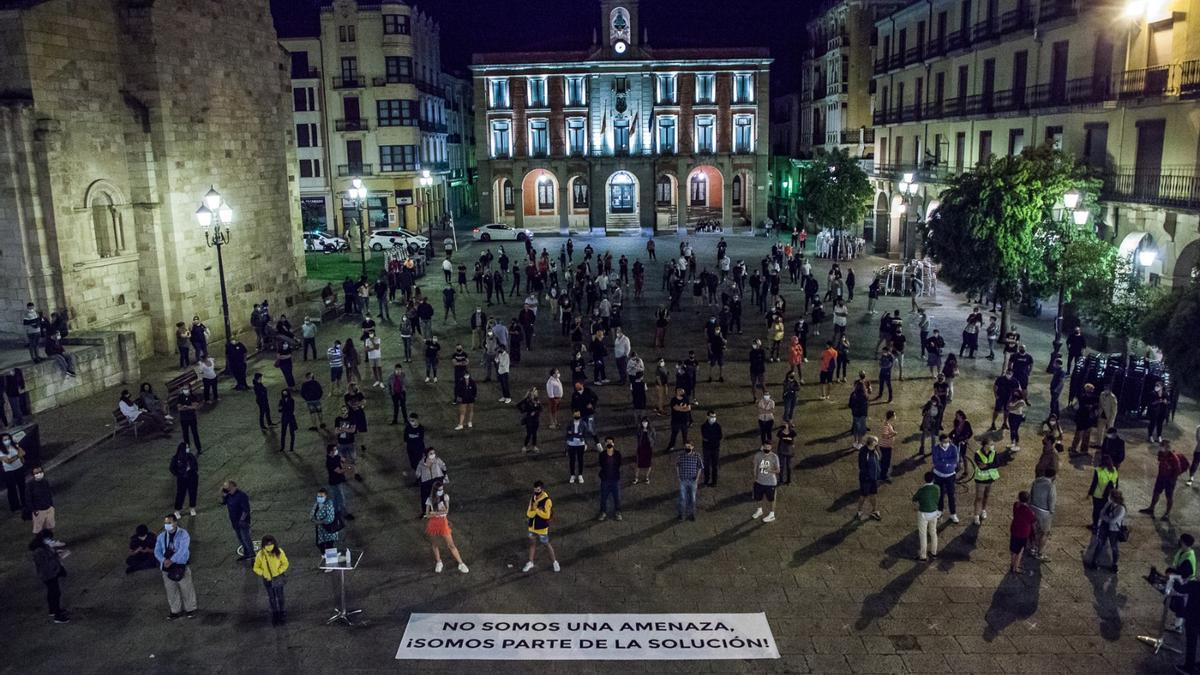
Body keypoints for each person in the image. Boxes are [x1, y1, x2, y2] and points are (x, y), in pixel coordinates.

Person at [155, 513, 197, 620]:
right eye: (165, 523)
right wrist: (164, 560)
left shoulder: (183, 534)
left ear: (175, 522)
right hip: (166, 568)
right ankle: (175, 611)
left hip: (180, 566)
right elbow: (157, 551)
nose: (167, 525)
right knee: (171, 590)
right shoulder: (161, 536)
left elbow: (183, 550)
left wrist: (171, 560)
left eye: (169, 522)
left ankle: (190, 609)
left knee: (186, 588)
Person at [424, 480, 469, 574]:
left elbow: (446, 511)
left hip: (443, 522)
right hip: (433, 523)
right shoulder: (430, 499)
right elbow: (427, 515)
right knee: (435, 544)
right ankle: (439, 562)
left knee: (451, 544)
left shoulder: (445, 497)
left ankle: (461, 563)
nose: (441, 491)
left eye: (442, 489)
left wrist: (436, 513)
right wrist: (436, 513)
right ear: (435, 490)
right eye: (439, 489)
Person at [1140, 441, 1190, 522]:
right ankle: (1151, 508)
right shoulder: (1161, 453)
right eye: (1161, 445)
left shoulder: (1174, 458)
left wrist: (1172, 480)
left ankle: (1167, 514)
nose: (1161, 447)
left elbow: (1178, 470)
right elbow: (1160, 462)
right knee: (1156, 492)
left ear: (1167, 448)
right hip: (1161, 476)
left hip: (1169, 479)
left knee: (1169, 497)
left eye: (1163, 446)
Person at [31, 533, 69, 623]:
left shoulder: (44, 547)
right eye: (49, 539)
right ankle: (57, 615)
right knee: (55, 593)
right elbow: (45, 564)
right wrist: (57, 558)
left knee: (52, 592)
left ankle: (53, 610)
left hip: (50, 574)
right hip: (49, 575)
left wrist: (56, 554)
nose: (51, 541)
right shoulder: (39, 551)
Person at [252, 534, 289, 625]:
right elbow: (256, 567)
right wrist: (264, 573)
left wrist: (279, 571)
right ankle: (275, 614)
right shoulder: (260, 555)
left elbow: (285, 563)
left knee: (280, 597)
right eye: (267, 545)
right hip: (267, 580)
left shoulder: (279, 552)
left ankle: (282, 612)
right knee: (272, 598)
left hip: (277, 578)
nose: (269, 546)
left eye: (271, 544)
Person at [523, 481, 560, 573]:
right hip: (532, 526)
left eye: (538, 490)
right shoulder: (533, 498)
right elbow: (528, 513)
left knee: (546, 544)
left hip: (542, 528)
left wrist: (535, 511)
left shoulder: (547, 500)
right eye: (535, 490)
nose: (536, 492)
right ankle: (530, 562)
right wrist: (536, 511)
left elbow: (546, 515)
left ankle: (555, 562)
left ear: (542, 489)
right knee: (532, 543)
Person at [1087, 489, 1126, 573]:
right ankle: (1094, 561)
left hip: (1114, 531)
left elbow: (1113, 521)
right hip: (1104, 528)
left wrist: (1105, 518)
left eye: (1110, 496)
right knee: (1100, 544)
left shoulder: (1121, 509)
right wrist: (1106, 518)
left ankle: (1114, 564)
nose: (1108, 497)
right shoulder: (1109, 504)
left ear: (1113, 497)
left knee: (1114, 547)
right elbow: (1101, 513)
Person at [220, 480, 253, 562]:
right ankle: (246, 554)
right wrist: (223, 495)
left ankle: (252, 556)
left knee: (246, 539)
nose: (227, 490)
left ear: (234, 486)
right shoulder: (228, 495)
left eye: (228, 488)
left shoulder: (242, 496)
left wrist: (242, 520)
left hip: (242, 522)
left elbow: (246, 510)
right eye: (226, 489)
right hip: (234, 522)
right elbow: (223, 503)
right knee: (241, 539)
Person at [1029, 469, 1056, 561]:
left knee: (1034, 531)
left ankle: (1032, 548)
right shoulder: (1051, 486)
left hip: (1033, 507)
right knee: (1045, 532)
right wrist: (1051, 511)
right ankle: (1040, 553)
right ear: (1053, 476)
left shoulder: (1036, 481)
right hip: (1044, 511)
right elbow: (1051, 499)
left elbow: (1031, 494)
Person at [912, 472, 941, 561]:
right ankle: (934, 552)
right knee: (933, 532)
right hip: (934, 513)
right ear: (933, 479)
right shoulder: (937, 488)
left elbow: (914, 498)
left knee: (923, 534)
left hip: (924, 514)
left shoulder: (922, 490)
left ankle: (923, 555)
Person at [931, 434, 960, 523]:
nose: (946, 443)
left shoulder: (953, 447)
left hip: (950, 475)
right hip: (938, 475)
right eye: (944, 442)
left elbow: (955, 459)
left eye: (948, 441)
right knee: (939, 494)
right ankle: (939, 510)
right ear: (940, 442)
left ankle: (953, 513)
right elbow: (936, 461)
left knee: (951, 495)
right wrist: (948, 462)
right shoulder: (936, 448)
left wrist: (944, 461)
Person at [1087, 454, 1120, 530]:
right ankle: (1104, 525)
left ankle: (1095, 525)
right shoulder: (1115, 470)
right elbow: (1117, 483)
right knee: (1107, 510)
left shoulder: (1098, 471)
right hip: (1110, 496)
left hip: (1098, 495)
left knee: (1096, 511)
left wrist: (1089, 493)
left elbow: (1094, 483)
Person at [1010, 491, 1037, 575]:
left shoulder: (1016, 506)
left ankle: (1012, 563)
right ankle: (1016, 567)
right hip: (1023, 533)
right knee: (1020, 550)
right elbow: (1033, 522)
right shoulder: (1029, 512)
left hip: (1014, 530)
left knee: (1013, 549)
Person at [751, 444, 780, 522]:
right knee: (758, 497)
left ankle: (772, 514)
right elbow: (755, 465)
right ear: (762, 447)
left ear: (771, 447)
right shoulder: (758, 455)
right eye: (765, 447)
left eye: (768, 447)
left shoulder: (774, 457)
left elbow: (778, 470)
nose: (767, 448)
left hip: (770, 483)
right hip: (759, 481)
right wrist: (755, 476)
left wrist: (770, 470)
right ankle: (759, 510)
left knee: (771, 499)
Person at [856, 436, 882, 521]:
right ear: (872, 443)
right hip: (866, 478)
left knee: (873, 494)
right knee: (863, 495)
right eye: (876, 441)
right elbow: (862, 466)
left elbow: (878, 460)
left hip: (873, 477)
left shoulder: (874, 450)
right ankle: (859, 511)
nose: (877, 443)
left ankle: (874, 510)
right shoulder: (864, 452)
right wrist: (867, 476)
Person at [169, 442, 198, 518]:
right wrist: (178, 474)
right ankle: (177, 510)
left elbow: (195, 464)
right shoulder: (176, 458)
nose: (188, 449)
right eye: (187, 447)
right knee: (180, 494)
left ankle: (192, 508)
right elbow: (172, 468)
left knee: (193, 493)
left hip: (192, 477)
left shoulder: (190, 456)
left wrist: (194, 471)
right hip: (182, 479)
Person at [972, 443, 1000, 525]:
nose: (992, 445)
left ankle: (983, 510)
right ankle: (976, 515)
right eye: (990, 444)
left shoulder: (994, 452)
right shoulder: (977, 454)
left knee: (986, 495)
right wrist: (991, 465)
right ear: (985, 445)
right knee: (979, 497)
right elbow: (981, 467)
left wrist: (987, 465)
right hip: (980, 479)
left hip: (990, 478)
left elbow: (997, 464)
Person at [676, 442, 703, 521]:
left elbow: (700, 467)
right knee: (682, 498)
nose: (687, 448)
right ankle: (682, 515)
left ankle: (692, 515)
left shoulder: (697, 456)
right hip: (683, 480)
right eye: (686, 447)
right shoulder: (681, 456)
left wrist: (697, 478)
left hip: (693, 480)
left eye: (689, 446)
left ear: (692, 447)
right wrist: (678, 476)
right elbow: (677, 465)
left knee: (692, 499)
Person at [597, 437, 622, 521]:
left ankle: (618, 512)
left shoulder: (617, 454)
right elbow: (601, 464)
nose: (609, 444)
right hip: (605, 479)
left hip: (615, 479)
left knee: (617, 497)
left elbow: (619, 464)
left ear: (613, 444)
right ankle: (603, 512)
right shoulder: (602, 454)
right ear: (605, 444)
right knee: (603, 497)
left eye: (611, 442)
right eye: (607, 442)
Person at [311, 488, 340, 552]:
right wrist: (312, 519)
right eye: (318, 496)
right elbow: (312, 513)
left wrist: (319, 522)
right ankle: (324, 555)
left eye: (321, 496)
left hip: (328, 530)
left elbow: (330, 518)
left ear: (326, 496)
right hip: (320, 530)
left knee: (329, 546)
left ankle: (330, 559)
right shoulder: (317, 504)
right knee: (319, 544)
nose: (319, 498)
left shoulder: (329, 505)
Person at [176, 385, 202, 454]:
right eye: (184, 389)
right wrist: (189, 407)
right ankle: (187, 449)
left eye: (186, 389)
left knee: (195, 433)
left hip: (192, 418)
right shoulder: (180, 397)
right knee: (185, 435)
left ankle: (199, 448)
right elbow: (179, 408)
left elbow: (195, 407)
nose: (185, 390)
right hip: (183, 419)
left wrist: (185, 407)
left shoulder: (193, 396)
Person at [517, 388, 542, 454]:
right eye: (534, 392)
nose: (535, 393)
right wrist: (523, 411)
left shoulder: (537, 400)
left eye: (535, 392)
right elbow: (518, 405)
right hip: (529, 420)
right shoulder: (527, 400)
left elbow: (541, 409)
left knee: (534, 434)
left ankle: (534, 446)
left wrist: (535, 411)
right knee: (529, 434)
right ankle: (524, 447)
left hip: (536, 419)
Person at [879, 409, 897, 482]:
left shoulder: (888, 423)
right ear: (891, 417)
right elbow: (884, 436)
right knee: (886, 462)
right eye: (894, 415)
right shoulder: (886, 425)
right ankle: (883, 476)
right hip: (885, 446)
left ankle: (883, 474)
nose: (895, 416)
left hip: (887, 446)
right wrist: (893, 434)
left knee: (885, 461)